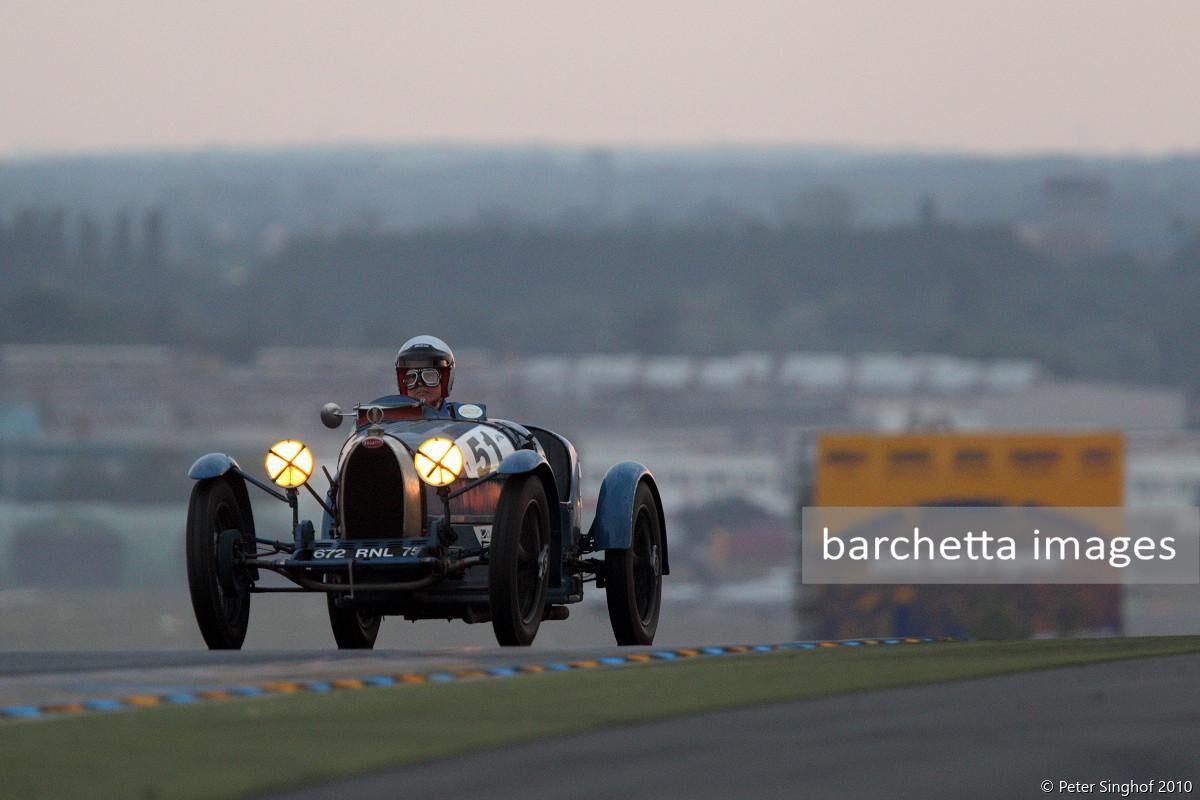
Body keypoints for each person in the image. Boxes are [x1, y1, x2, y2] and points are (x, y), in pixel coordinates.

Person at [394, 334, 456, 411]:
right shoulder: (388, 419)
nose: (420, 383)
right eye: (412, 377)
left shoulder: (463, 419)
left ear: (445, 381)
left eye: (429, 376)